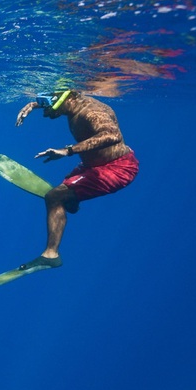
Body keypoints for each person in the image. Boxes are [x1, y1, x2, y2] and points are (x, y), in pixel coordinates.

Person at [15, 89, 139, 270]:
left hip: (118, 168)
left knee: (54, 196)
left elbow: (113, 136)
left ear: (71, 98)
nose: (49, 109)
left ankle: (51, 255)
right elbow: (54, 100)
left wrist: (67, 151)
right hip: (93, 165)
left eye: (53, 104)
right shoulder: (74, 103)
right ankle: (72, 201)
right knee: (68, 184)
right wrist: (32, 105)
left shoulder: (92, 112)